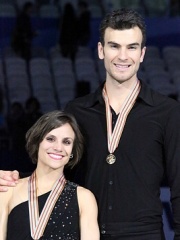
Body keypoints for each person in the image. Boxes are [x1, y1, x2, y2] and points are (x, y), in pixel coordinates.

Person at [1, 8, 180, 239]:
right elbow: (60, 167)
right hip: (87, 230)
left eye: (131, 47)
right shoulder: (77, 110)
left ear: (142, 53)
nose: (123, 56)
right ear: (100, 50)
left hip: (144, 234)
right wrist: (16, 179)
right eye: (114, 46)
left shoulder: (167, 111)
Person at [0, 110, 99, 239]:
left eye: (66, 142)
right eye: (51, 139)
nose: (58, 147)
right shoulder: (9, 190)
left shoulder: (84, 198)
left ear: (73, 151)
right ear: (37, 143)